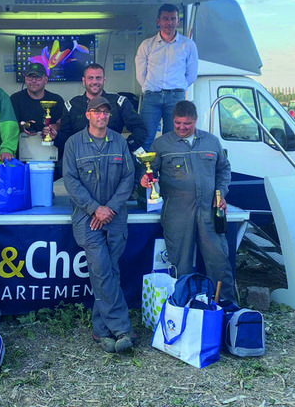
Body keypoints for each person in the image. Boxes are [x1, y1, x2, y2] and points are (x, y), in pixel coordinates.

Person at [141, 100, 235, 302]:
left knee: (218, 260)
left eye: (187, 124)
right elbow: (149, 170)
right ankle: (182, 307)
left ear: (195, 121)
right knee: (180, 264)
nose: (182, 128)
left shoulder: (211, 141)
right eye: (177, 124)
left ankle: (224, 305)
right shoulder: (161, 144)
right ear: (172, 120)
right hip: (177, 213)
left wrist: (221, 193)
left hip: (210, 212)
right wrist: (146, 179)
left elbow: (224, 170)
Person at [62, 96, 136, 353]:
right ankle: (122, 328)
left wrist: (111, 208)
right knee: (103, 269)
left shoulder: (119, 142)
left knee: (109, 271)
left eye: (106, 112)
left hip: (115, 218)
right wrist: (96, 208)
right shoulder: (74, 144)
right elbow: (71, 181)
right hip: (87, 219)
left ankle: (100, 329)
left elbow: (129, 178)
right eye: (97, 112)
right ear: (88, 115)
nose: (102, 116)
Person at [135, 4, 198, 148]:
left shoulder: (188, 45)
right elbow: (140, 73)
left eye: (172, 19)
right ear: (158, 21)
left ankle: (169, 171)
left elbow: (191, 74)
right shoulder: (147, 45)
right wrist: (148, 88)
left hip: (176, 98)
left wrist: (177, 87)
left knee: (174, 139)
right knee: (145, 137)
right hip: (152, 97)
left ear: (178, 21)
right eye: (165, 19)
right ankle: (143, 171)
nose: (169, 23)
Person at [55, 63, 147, 155]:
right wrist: (55, 135)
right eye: (90, 78)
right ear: (84, 81)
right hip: (81, 158)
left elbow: (140, 130)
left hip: (113, 157)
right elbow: (66, 139)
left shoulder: (119, 102)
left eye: (98, 78)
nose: (95, 82)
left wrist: (124, 147)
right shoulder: (71, 105)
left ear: (104, 80)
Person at [10, 62, 65, 160]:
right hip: (23, 155)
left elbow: (64, 126)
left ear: (46, 79)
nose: (33, 81)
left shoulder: (57, 100)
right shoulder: (15, 99)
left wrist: (54, 127)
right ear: (25, 79)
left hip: (51, 156)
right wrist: (23, 126)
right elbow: (9, 126)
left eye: (38, 77)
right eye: (30, 77)